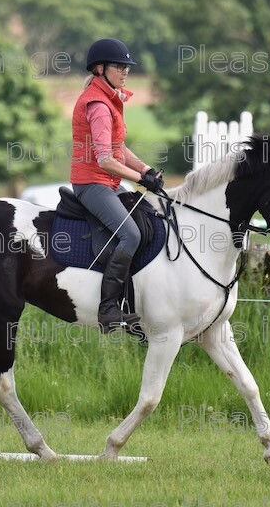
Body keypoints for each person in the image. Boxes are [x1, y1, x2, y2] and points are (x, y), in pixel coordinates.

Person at [71, 38, 164, 333]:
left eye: (126, 66)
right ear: (100, 69)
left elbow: (118, 147)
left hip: (108, 182)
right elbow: (104, 160)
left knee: (148, 219)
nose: (125, 71)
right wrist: (139, 179)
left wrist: (145, 168)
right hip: (92, 183)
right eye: (119, 66)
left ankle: (135, 300)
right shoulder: (98, 104)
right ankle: (109, 309)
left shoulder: (111, 99)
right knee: (131, 234)